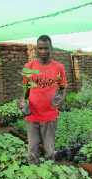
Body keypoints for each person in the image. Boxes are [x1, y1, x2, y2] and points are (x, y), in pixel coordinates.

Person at [19, 35, 67, 164]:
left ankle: (49, 173)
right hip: (32, 115)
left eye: (46, 48)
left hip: (50, 115)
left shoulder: (59, 67)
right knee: (33, 150)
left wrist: (61, 99)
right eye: (40, 48)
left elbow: (62, 88)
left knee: (50, 151)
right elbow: (26, 88)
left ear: (51, 48)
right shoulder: (28, 67)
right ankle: (34, 175)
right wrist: (23, 103)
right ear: (36, 49)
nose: (43, 52)